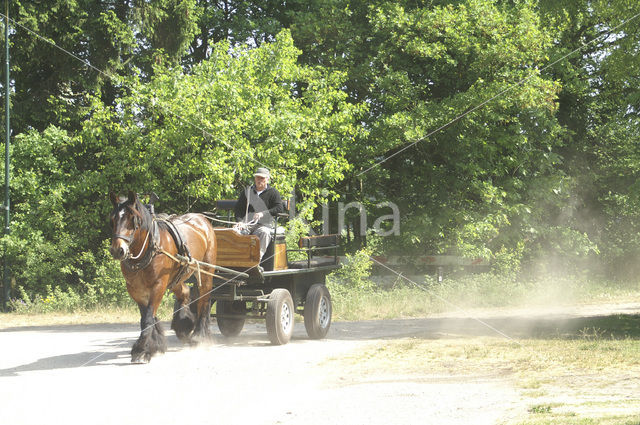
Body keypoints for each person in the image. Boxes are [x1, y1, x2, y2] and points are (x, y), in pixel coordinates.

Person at [234, 167, 284, 261]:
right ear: (255, 179)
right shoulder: (247, 192)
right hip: (247, 224)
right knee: (234, 231)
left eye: (262, 178)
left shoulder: (273, 192)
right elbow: (238, 209)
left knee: (264, 232)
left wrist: (263, 213)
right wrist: (240, 222)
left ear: (267, 179)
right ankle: (236, 260)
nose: (259, 180)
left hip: (264, 225)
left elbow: (279, 208)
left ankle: (255, 261)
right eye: (258, 178)